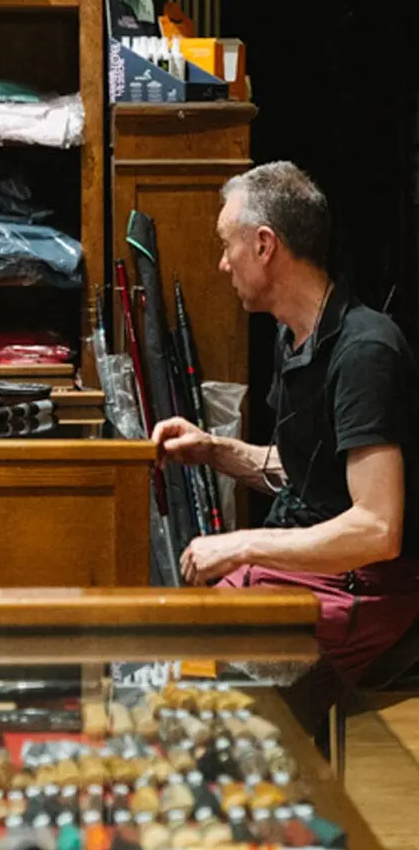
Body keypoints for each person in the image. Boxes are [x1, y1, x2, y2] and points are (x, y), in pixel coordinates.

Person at [152, 161, 419, 725]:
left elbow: (377, 527)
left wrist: (244, 544)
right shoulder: (295, 336)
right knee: (182, 635)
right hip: (316, 566)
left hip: (370, 584)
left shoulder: (365, 351)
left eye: (228, 245)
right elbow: (307, 474)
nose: (223, 262)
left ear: (265, 244)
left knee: (206, 656)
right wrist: (214, 448)